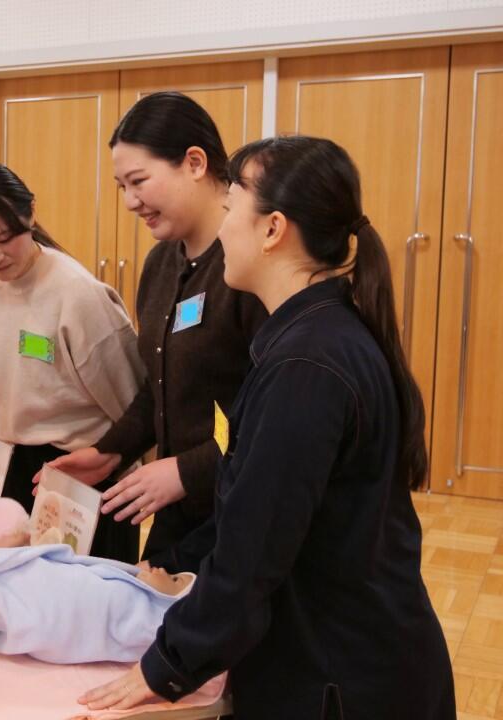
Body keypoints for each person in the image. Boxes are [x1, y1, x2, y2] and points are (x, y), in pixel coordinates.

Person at [80, 136, 455, 719]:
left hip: (341, 677)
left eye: (231, 211)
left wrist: (165, 665)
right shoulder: (307, 339)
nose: (223, 230)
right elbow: (259, 502)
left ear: (273, 229)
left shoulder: (307, 365)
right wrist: (178, 565)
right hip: (341, 652)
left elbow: (256, 551)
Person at [45, 92, 267, 564]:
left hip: (243, 506)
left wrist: (188, 469)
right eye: (121, 186)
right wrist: (110, 450)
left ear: (194, 162)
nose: (129, 202)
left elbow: (267, 412)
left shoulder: (249, 267)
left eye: (139, 181)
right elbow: (160, 382)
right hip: (177, 505)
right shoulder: (162, 262)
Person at [0, 164, 145, 563]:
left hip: (86, 468)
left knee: (89, 606)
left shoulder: (77, 295)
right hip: (21, 464)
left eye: (6, 239)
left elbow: (132, 402)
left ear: (31, 214)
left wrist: (116, 459)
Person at [0, 544, 195, 664]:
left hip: (57, 602)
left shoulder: (145, 620)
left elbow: (76, 617)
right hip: (55, 585)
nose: (162, 570)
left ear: (171, 604)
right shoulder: (132, 589)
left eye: (173, 580)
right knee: (19, 576)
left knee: (10, 592)